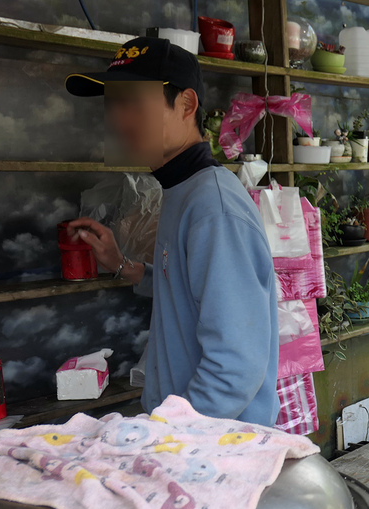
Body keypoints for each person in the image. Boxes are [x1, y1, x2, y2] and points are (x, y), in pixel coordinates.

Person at [63, 37, 280, 426]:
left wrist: (160, 437)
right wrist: (123, 265)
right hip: (191, 438)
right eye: (112, 103)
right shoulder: (182, 189)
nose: (117, 119)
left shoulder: (213, 208)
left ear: (186, 105)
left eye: (132, 101)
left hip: (214, 449)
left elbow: (234, 371)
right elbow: (186, 287)